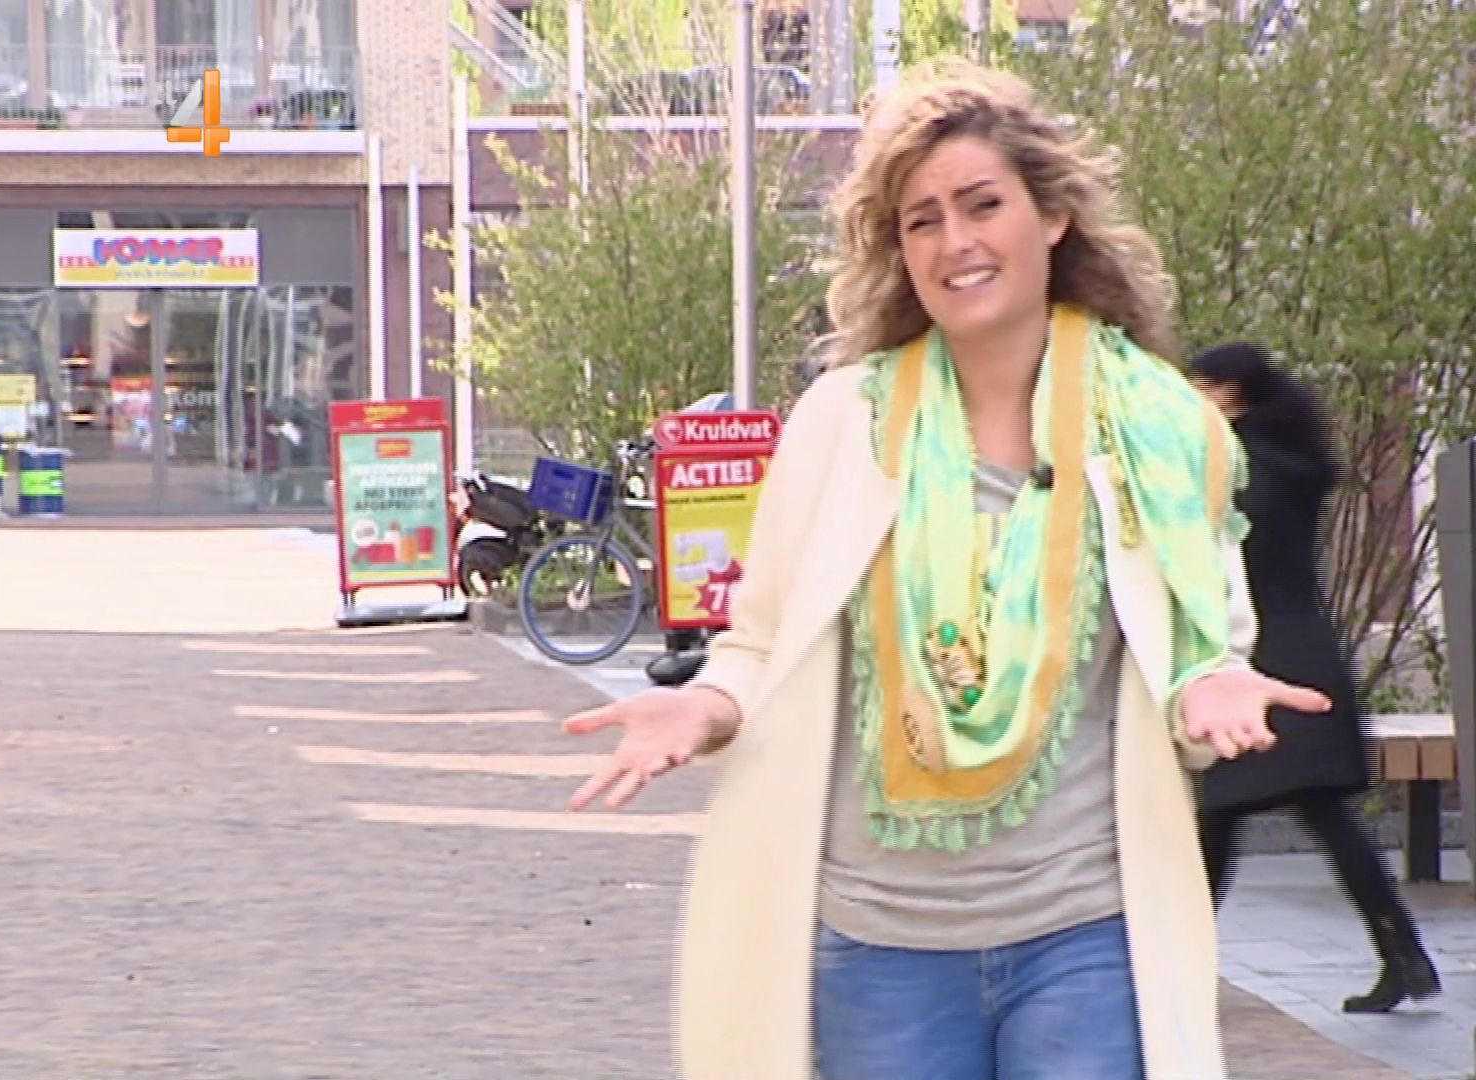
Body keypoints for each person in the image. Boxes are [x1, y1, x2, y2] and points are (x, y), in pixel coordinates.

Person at [560, 61, 1331, 1079]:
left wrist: (1212, 687)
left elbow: (1198, 651)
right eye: (922, 221)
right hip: (878, 954)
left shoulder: (1157, 426)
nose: (955, 241)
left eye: (982, 205)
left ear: (1051, 215)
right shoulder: (843, 423)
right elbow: (760, 641)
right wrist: (704, 708)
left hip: (1085, 940)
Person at [1187, 342, 1441, 1014]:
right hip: (1299, 654)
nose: (1194, 398)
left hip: (1274, 661)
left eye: (1203, 386)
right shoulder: (1286, 456)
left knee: (1227, 817)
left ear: (1232, 391)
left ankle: (1172, 970)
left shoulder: (1249, 465)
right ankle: (1404, 956)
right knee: (1306, 819)